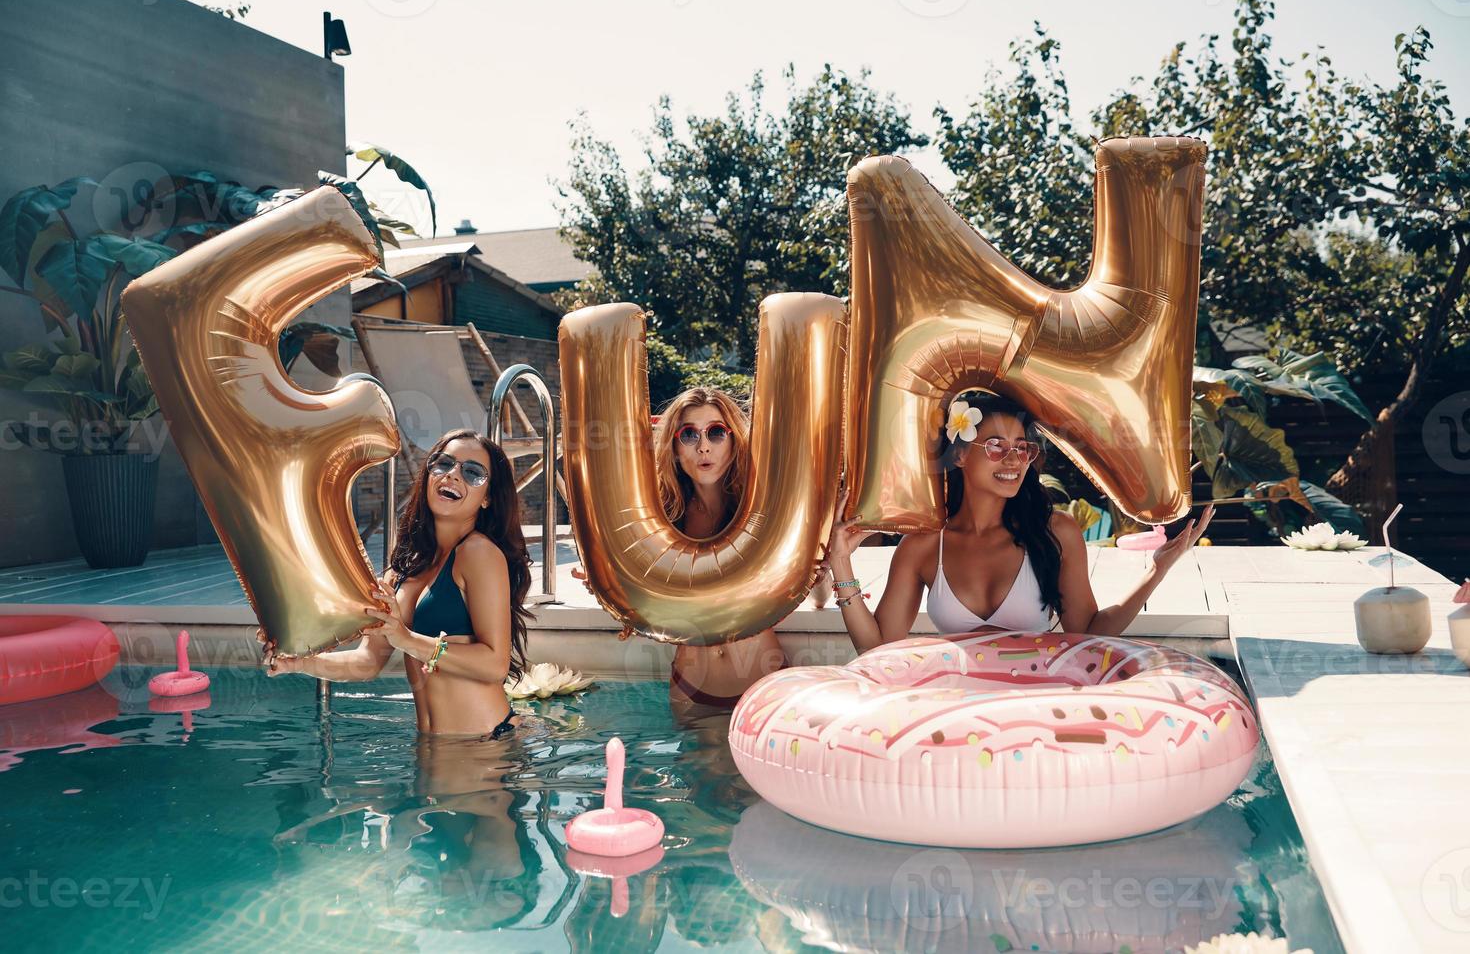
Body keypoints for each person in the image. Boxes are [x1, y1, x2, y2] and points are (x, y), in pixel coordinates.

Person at [825, 391, 1214, 653]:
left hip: (1036, 709)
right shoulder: (924, 546)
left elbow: (1088, 632)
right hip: (962, 710)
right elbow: (877, 649)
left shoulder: (1054, 532)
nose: (1014, 460)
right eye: (996, 446)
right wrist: (840, 562)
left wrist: (1157, 571)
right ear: (959, 456)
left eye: (1022, 448)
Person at [260, 428, 534, 736]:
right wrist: (301, 663)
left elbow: (494, 664)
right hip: (435, 748)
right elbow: (368, 662)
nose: (453, 475)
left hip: (487, 742)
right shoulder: (404, 570)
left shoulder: (478, 553)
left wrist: (405, 639)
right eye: (443, 464)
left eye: (473, 473)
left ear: (488, 499)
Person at [574, 387, 790, 710]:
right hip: (691, 690)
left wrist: (832, 560)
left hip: (762, 686)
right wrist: (609, 587)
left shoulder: (760, 511)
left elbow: (810, 594)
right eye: (689, 435)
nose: (704, 447)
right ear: (674, 448)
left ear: (734, 441)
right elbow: (649, 611)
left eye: (716, 432)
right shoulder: (662, 522)